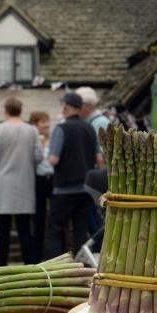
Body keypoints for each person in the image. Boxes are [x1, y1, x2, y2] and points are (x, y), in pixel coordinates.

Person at [0, 97, 43, 266]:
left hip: (3, 185)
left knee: (3, 229)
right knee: (24, 229)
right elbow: (38, 156)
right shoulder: (31, 130)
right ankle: (27, 265)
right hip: (25, 183)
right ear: (21, 110)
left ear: (6, 111)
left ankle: (2, 266)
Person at [46, 91, 102, 258]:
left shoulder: (61, 128)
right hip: (85, 189)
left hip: (63, 189)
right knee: (80, 232)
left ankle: (53, 269)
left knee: (54, 230)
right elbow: (99, 159)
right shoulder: (90, 128)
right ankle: (80, 267)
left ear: (65, 107)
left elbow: (53, 160)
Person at [75, 87, 110, 251]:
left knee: (95, 221)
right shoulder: (91, 123)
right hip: (93, 178)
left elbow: (103, 155)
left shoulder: (99, 123)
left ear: (87, 107)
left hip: (99, 180)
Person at [29, 110, 54, 258]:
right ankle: (36, 255)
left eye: (47, 121)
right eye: (43, 121)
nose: (47, 124)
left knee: (53, 218)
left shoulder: (52, 138)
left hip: (53, 179)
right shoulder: (33, 140)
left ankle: (51, 253)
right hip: (38, 180)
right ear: (35, 124)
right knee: (38, 218)